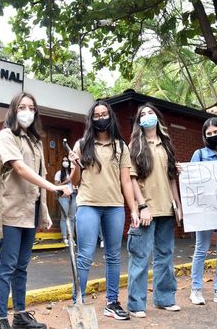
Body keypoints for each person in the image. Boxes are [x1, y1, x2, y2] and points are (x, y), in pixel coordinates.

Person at [0, 92, 71, 329]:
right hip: (11, 209)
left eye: (31, 107)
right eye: (22, 107)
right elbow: (20, 168)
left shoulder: (36, 141)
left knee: (22, 267)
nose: (27, 111)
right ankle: (1, 319)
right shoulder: (7, 136)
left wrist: (44, 213)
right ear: (14, 110)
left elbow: (41, 174)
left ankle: (20, 315)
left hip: (31, 211)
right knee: (6, 266)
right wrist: (54, 187)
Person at [68, 100, 138, 321]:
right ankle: (78, 301)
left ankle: (112, 302)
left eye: (104, 114)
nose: (101, 118)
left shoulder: (120, 146)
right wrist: (76, 165)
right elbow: (75, 182)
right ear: (91, 119)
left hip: (114, 207)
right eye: (96, 115)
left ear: (111, 117)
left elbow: (126, 182)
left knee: (114, 256)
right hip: (88, 204)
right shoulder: (81, 145)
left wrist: (134, 209)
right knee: (85, 255)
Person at [127, 103, 183, 318]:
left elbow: (171, 179)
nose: (147, 116)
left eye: (151, 113)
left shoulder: (166, 145)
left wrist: (177, 205)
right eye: (143, 114)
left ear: (158, 118)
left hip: (166, 208)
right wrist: (142, 206)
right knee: (140, 258)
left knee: (165, 257)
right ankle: (136, 304)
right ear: (139, 121)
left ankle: (164, 299)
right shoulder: (135, 146)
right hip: (146, 210)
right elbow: (132, 179)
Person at [188, 117, 217, 306]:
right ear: (204, 136)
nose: (213, 136)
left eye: (216, 132)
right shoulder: (199, 154)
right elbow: (190, 181)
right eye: (209, 134)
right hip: (205, 211)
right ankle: (196, 290)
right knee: (201, 250)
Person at [54, 156, 76, 246]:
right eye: (64, 160)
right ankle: (64, 237)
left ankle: (71, 238)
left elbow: (77, 184)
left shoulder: (73, 172)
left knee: (72, 218)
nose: (65, 162)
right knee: (64, 217)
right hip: (63, 196)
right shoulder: (59, 173)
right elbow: (56, 186)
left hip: (73, 195)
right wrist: (66, 181)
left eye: (67, 160)